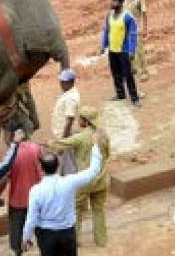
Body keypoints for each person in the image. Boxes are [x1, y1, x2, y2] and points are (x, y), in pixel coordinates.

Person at [22, 132, 106, 256]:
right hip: (67, 233)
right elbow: (94, 171)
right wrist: (95, 145)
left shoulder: (35, 190)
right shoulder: (69, 182)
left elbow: (31, 219)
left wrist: (26, 238)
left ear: (41, 168)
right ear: (58, 166)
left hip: (46, 235)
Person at [50, 106, 110, 248]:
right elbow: (107, 154)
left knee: (76, 211)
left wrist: (49, 143)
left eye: (80, 118)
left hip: (83, 182)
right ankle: (101, 240)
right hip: (101, 180)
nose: (78, 120)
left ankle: (75, 241)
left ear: (85, 121)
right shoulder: (103, 135)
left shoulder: (80, 137)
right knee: (98, 210)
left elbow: (60, 144)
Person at [0, 119, 44, 256]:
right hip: (37, 197)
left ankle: (18, 250)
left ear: (11, 135)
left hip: (18, 200)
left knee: (16, 228)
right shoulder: (36, 148)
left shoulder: (10, 155)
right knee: (40, 228)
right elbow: (44, 166)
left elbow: (3, 179)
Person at [100, 0, 140, 106]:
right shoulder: (109, 15)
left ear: (120, 3)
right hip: (113, 50)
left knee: (128, 75)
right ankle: (120, 94)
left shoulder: (128, 17)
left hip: (124, 51)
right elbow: (106, 31)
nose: (111, 3)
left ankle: (134, 98)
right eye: (111, 1)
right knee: (116, 74)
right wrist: (103, 45)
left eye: (113, 1)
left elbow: (133, 34)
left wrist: (132, 50)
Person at [52, 69, 81, 175]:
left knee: (69, 165)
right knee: (65, 162)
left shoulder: (71, 98)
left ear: (71, 82)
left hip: (67, 135)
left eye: (64, 82)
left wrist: (63, 142)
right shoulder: (68, 93)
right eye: (61, 81)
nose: (61, 83)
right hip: (65, 134)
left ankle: (72, 188)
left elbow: (69, 121)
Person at [122, 0, 150, 82]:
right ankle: (132, 70)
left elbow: (144, 13)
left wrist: (145, 28)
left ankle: (143, 72)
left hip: (135, 28)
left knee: (139, 51)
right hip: (125, 29)